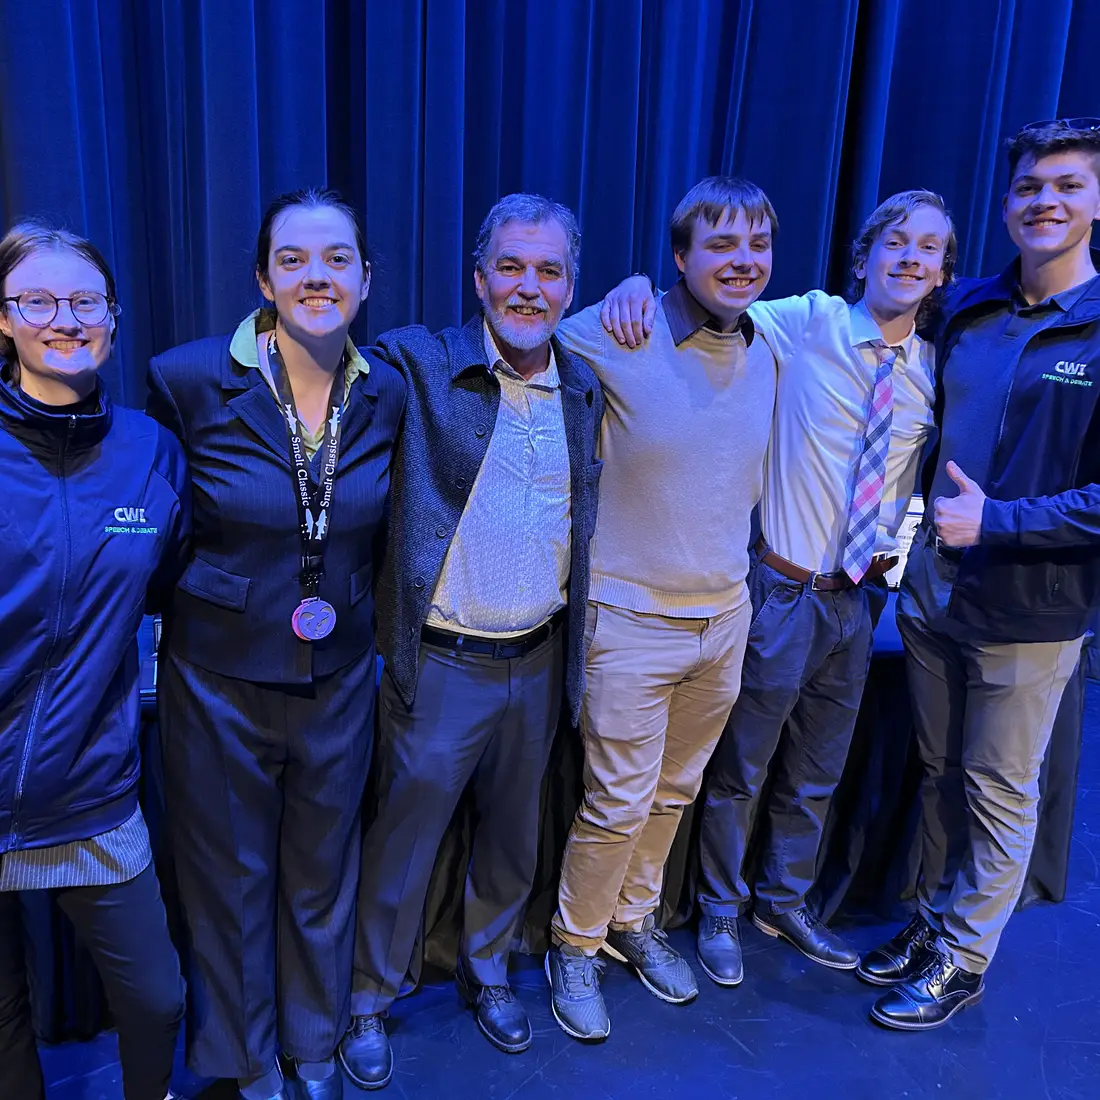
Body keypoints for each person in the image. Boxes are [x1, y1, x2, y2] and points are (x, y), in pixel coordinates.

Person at [601, 191, 956, 984]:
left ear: (940, 274)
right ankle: (720, 908)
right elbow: (704, 299)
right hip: (781, 587)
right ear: (864, 257)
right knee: (743, 766)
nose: (910, 257)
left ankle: (782, 900)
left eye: (929, 249)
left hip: (856, 598)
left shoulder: (934, 368)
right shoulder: (806, 322)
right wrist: (633, 284)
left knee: (818, 769)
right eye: (896, 241)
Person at [337, 194, 603, 1090]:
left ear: (572, 284)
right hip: (443, 661)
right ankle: (369, 994)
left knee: (512, 837)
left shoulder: (582, 382)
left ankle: (488, 971)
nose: (530, 288)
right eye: (513, 267)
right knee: (404, 840)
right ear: (479, 275)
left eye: (550, 270)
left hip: (540, 655)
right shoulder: (420, 362)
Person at [148, 189, 405, 1099]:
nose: (316, 276)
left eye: (337, 259)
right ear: (263, 278)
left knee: (322, 878)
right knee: (228, 885)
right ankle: (244, 1058)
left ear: (366, 280)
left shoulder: (386, 392)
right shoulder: (185, 380)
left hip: (338, 678)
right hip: (215, 682)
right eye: (293, 259)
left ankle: (313, 1042)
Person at [861, 119, 1100, 1030]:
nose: (1046, 201)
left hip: (1031, 614)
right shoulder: (966, 307)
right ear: (1007, 206)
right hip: (931, 596)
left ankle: (963, 960)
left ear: (1096, 203)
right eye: (1031, 187)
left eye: (1068, 186)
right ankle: (933, 922)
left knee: (1000, 791)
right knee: (938, 772)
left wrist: (997, 521)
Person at [541, 177, 778, 1041]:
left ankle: (632, 921)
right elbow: (526, 332)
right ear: (680, 257)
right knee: (617, 798)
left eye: (756, 246)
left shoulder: (772, 342)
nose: (741, 262)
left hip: (727, 615)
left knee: (675, 791)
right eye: (720, 245)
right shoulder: (616, 330)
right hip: (630, 617)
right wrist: (626, 289)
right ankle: (573, 942)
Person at [0, 222, 188, 1100]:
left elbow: (165, 588)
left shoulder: (152, 450)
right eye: (37, 300)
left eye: (85, 301)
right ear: (5, 319)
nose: (64, 319)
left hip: (91, 794)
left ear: (113, 316)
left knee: (155, 1001)